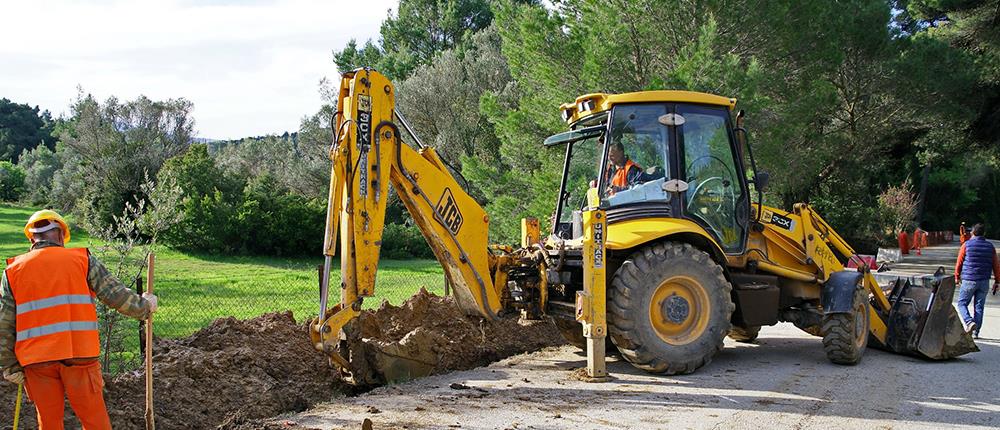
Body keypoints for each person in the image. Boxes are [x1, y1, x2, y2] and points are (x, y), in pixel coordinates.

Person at [0, 210, 158, 429]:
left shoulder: (12, 271)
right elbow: (116, 296)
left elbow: (4, 323)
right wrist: (145, 306)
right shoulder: (82, 260)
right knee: (95, 421)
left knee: (49, 423)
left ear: (32, 238)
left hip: (38, 362)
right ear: (60, 233)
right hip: (79, 357)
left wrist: (10, 365)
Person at [954, 223, 998, 339]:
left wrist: (957, 277)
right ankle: (975, 332)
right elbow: (996, 265)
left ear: (972, 233)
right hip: (984, 281)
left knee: (962, 303)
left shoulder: (966, 245)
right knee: (979, 307)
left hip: (969, 279)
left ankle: (969, 322)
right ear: (984, 234)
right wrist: (997, 281)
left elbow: (959, 262)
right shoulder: (990, 247)